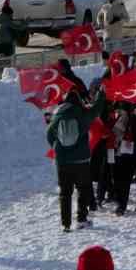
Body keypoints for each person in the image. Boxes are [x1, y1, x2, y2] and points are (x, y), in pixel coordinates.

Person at [47, 89, 104, 232]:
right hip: (81, 160)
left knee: (65, 193)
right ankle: (81, 219)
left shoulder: (58, 115)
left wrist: (56, 146)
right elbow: (97, 109)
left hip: (63, 161)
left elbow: (49, 134)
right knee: (83, 189)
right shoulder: (82, 114)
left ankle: (65, 224)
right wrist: (101, 95)